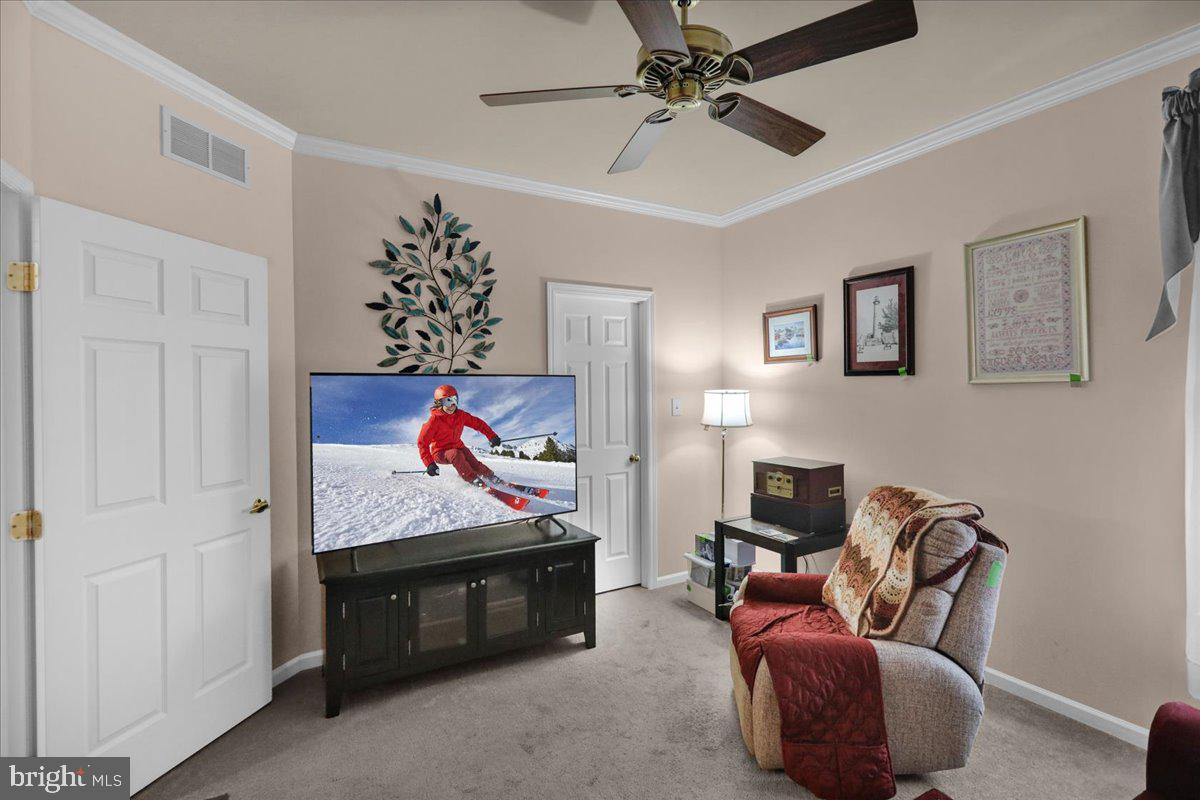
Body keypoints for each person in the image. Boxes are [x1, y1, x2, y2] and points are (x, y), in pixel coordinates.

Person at [417, 384, 503, 484]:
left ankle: (490, 476)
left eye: (454, 400)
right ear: (439, 403)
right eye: (447, 401)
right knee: (456, 454)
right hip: (440, 452)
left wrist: (492, 436)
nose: (451, 406)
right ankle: (472, 479)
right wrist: (429, 463)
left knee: (472, 461)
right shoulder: (434, 421)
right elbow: (422, 443)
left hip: (458, 446)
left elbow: (478, 423)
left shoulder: (460, 415)